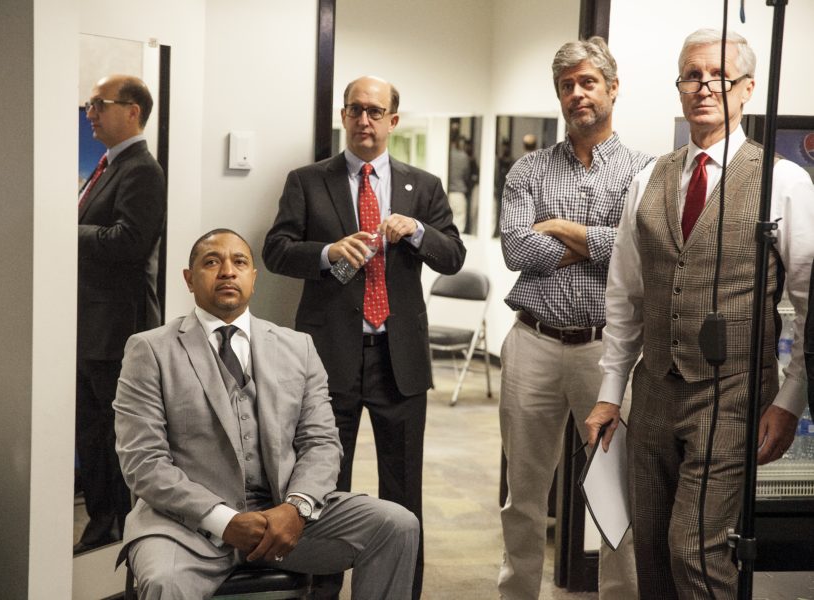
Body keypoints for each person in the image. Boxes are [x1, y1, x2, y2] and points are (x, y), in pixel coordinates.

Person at [586, 29, 814, 598]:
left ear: (746, 90)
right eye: (692, 75)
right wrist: (611, 391)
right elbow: (626, 297)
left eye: (718, 75)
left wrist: (790, 401)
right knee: (653, 556)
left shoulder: (782, 183)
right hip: (656, 396)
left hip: (733, 400)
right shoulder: (648, 180)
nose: (703, 86)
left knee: (697, 550)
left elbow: (812, 306)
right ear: (680, 87)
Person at [114, 229, 419, 600]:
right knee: (165, 580)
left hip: (284, 519)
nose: (228, 271)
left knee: (396, 525)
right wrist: (223, 520)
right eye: (212, 262)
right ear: (189, 279)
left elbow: (321, 442)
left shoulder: (298, 347)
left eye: (239, 262)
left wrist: (297, 507)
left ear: (253, 278)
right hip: (185, 526)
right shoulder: (150, 349)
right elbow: (143, 461)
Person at [263, 75, 465, 599]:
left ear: (393, 120)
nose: (365, 120)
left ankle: (402, 591)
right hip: (330, 359)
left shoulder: (422, 186)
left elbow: (453, 255)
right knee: (323, 488)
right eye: (356, 110)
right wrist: (328, 255)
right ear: (344, 116)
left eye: (376, 111)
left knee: (404, 491)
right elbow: (276, 250)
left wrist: (417, 232)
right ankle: (321, 591)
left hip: (398, 361)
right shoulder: (308, 181)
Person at [497, 36, 652, 600]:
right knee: (523, 492)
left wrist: (560, 227)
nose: (577, 94)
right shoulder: (529, 168)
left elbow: (641, 252)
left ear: (613, 88)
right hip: (532, 343)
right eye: (567, 85)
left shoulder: (643, 172)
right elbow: (516, 250)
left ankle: (618, 594)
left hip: (606, 352)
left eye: (588, 82)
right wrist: (601, 244)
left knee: (615, 488)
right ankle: (517, 592)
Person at [75, 74, 166, 553]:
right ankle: (101, 525)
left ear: (132, 111)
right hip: (91, 328)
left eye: (99, 103)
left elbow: (129, 242)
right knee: (91, 437)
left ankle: (117, 533)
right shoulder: (109, 166)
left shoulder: (141, 170)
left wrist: (68, 231)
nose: (90, 112)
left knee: (115, 442)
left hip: (117, 330)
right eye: (89, 104)